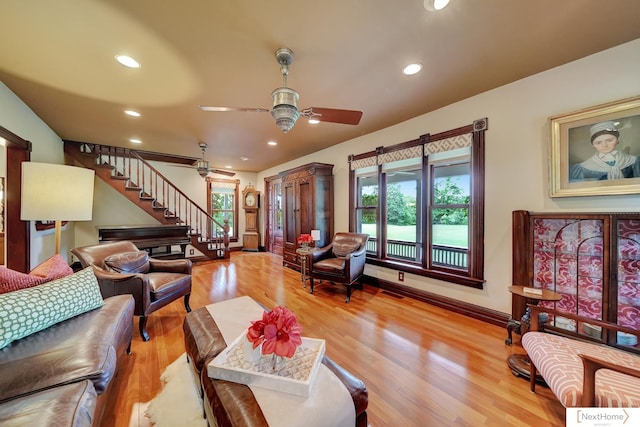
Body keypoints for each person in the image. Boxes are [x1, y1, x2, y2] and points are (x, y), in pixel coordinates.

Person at [569, 120, 640, 182]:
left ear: (618, 140)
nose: (604, 145)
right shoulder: (582, 168)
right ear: (593, 145)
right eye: (598, 142)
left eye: (609, 140)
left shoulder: (633, 161)